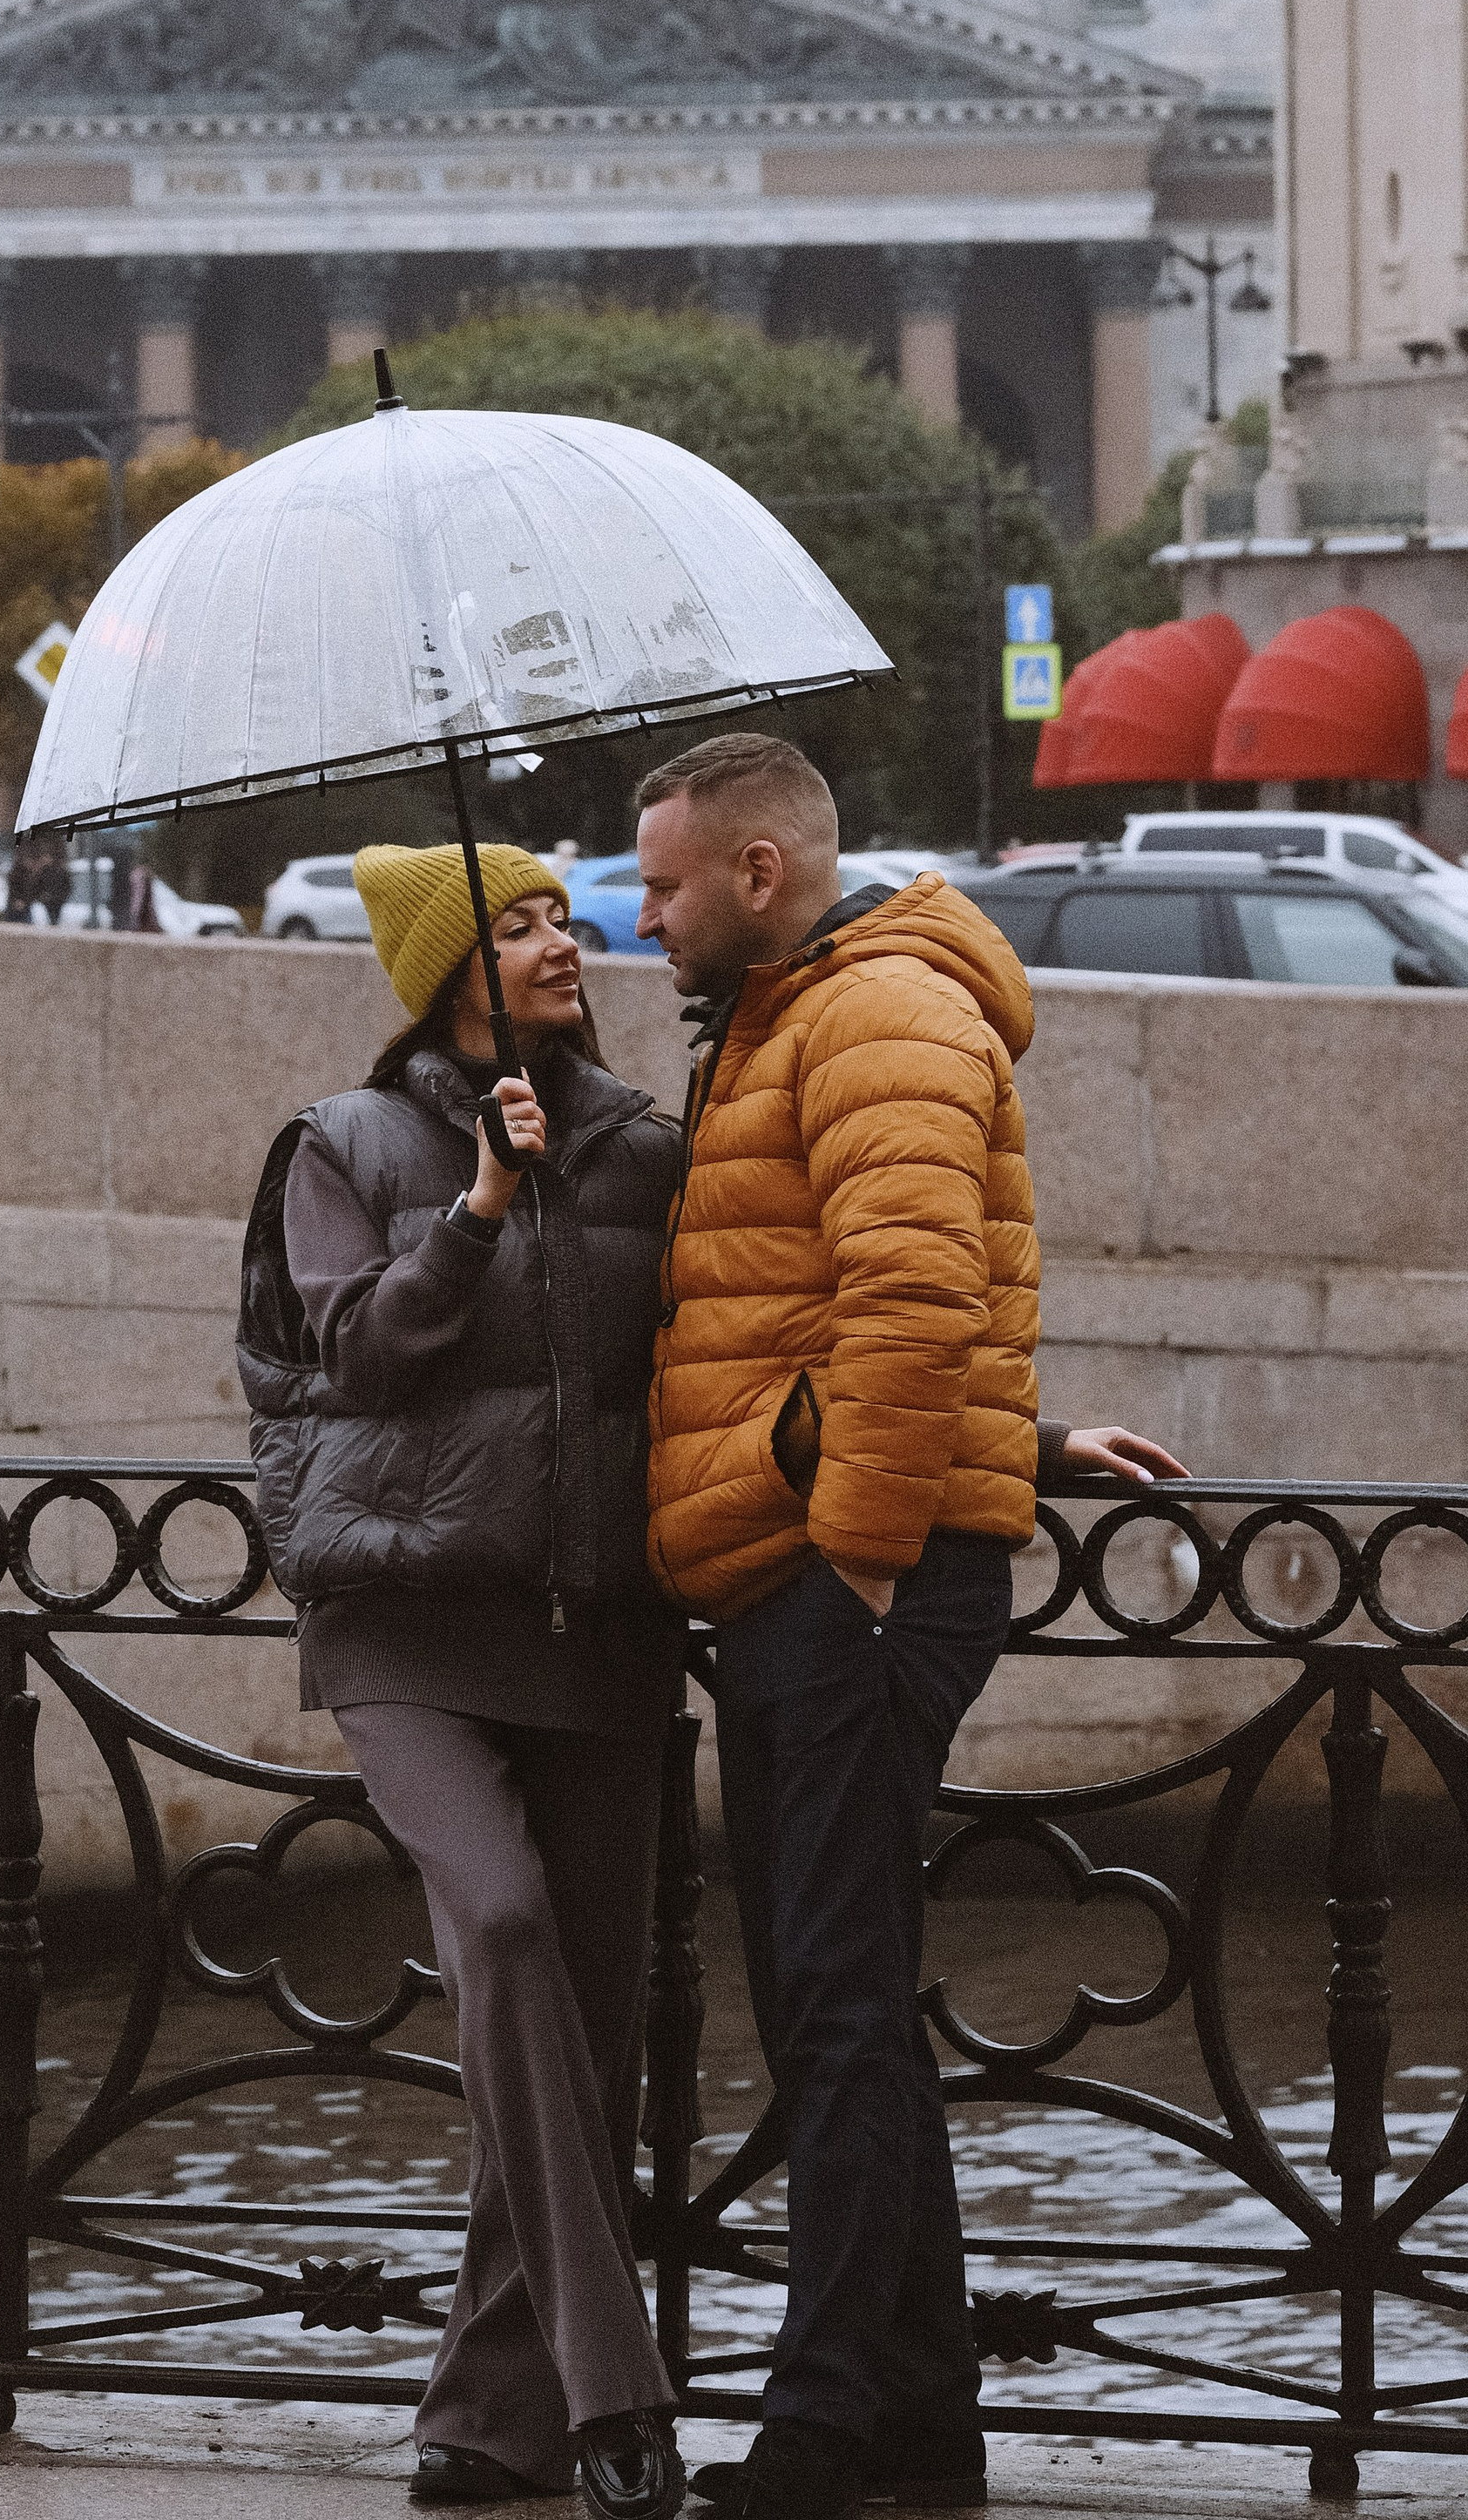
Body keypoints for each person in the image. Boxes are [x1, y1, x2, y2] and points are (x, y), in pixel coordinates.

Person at [631, 733, 1180, 2520]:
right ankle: (918, 2406)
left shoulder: (872, 1015)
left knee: (838, 2000)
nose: (646, 918)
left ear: (758, 875)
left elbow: (911, 1290)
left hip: (843, 1581)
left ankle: (814, 2427)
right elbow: (824, 1301)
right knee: (824, 1994)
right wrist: (1011, 1447)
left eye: (662, 885)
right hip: (818, 1560)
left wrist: (861, 1550)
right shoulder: (803, 1013)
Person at [239, 841, 692, 2520]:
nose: (562, 938)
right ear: (446, 968)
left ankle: (484, 2418)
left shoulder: (648, 1143)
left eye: (566, 913)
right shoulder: (341, 1145)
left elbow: (756, 1348)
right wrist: (483, 1210)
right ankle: (615, 2390)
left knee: (568, 2031)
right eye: (517, 920)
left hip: (597, 1629)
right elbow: (346, 1351)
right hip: (405, 1626)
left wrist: (1022, 1447)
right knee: (499, 1926)